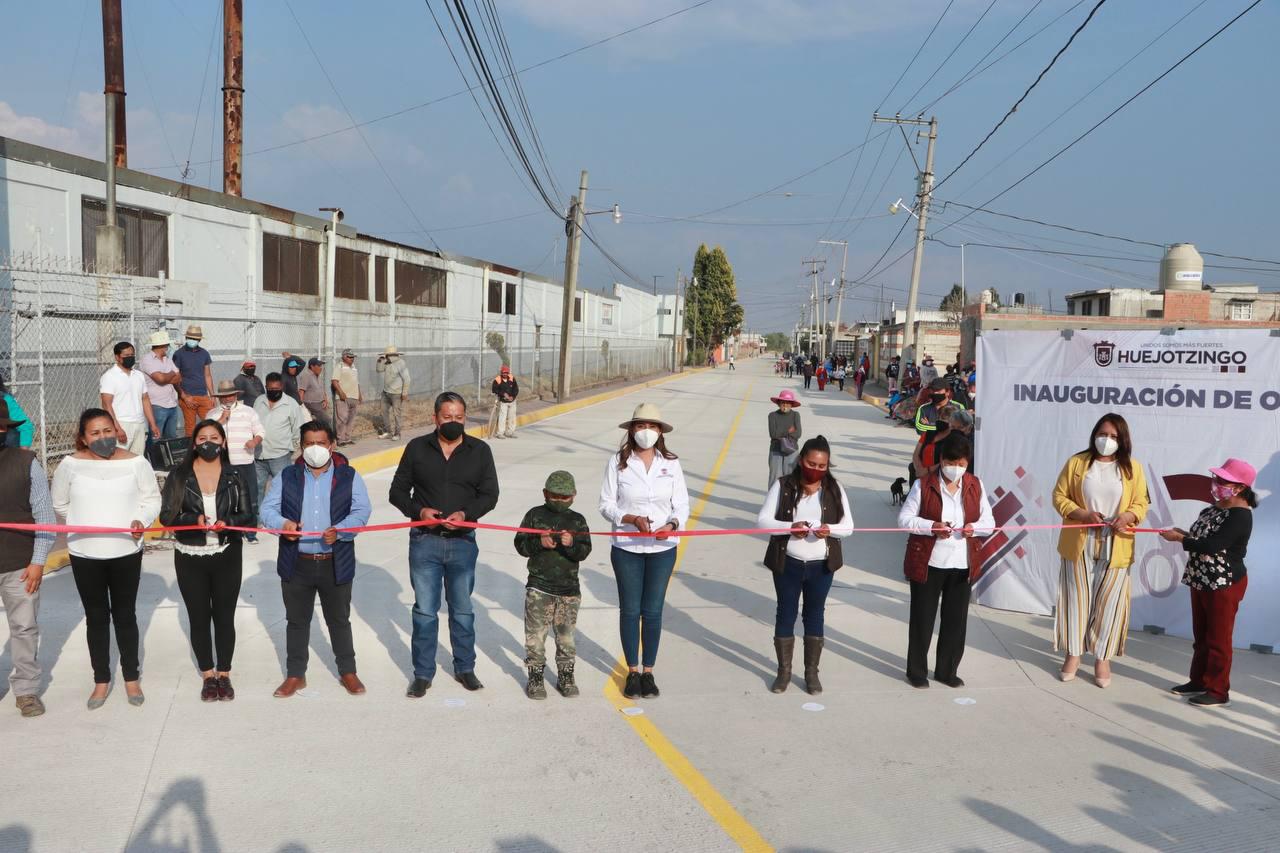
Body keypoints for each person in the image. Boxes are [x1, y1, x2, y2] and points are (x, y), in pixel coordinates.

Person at [391, 392, 500, 697]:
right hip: (424, 542)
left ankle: (465, 668)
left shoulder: (480, 451)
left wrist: (466, 514)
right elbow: (397, 492)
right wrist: (419, 512)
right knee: (425, 611)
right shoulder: (417, 448)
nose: (454, 422)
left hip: (462, 543)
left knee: (462, 610)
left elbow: (490, 494)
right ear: (435, 418)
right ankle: (422, 673)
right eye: (447, 417)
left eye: (459, 417)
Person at [50, 408, 161, 709]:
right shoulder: (69, 465)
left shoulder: (136, 463)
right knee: (96, 618)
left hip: (126, 551)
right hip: (85, 553)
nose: (103, 437)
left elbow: (151, 499)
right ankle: (101, 680)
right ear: (83, 438)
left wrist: (140, 520)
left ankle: (131, 677)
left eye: (107, 431)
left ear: (116, 430)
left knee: (125, 615)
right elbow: (60, 503)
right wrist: (83, 521)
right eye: (95, 433)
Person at [260, 420, 372, 698]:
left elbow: (362, 510)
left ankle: (348, 671)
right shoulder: (288, 475)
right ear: (301, 446)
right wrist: (283, 525)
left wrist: (342, 530)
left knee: (339, 619)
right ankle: (295, 675)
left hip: (335, 560)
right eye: (309, 443)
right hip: (297, 561)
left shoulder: (348, 476)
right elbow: (267, 509)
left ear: (332, 445)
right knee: (296, 621)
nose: (315, 448)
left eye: (321, 443)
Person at [599, 403, 690, 699]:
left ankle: (648, 672)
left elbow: (682, 505)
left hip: (663, 547)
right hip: (627, 546)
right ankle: (633, 672)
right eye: (640, 426)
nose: (646, 431)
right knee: (630, 610)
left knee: (652, 611)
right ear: (631, 430)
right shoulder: (618, 462)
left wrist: (672, 524)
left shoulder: (671, 463)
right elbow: (606, 504)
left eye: (652, 426)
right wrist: (629, 519)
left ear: (660, 431)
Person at [1051, 414, 1150, 687]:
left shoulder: (1132, 468)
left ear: (1123, 440)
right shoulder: (1077, 462)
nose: (1107, 440)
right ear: (1095, 434)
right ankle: (1073, 653)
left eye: (1114, 436)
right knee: (1076, 598)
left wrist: (1128, 516)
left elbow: (1142, 502)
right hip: (1079, 539)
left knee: (1109, 602)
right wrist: (1081, 513)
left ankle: (1102, 657)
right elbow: (1059, 496)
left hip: (1117, 542)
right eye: (1103, 434)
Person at [158, 419, 253, 702]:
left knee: (224, 617)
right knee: (199, 618)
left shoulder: (235, 475)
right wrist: (193, 518)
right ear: (194, 443)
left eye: (214, 437)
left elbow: (248, 514)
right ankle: (208, 675)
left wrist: (229, 522)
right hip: (190, 555)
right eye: (202, 438)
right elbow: (167, 516)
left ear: (223, 442)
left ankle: (224, 673)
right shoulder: (179, 475)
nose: (208, 443)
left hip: (227, 553)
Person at [757, 436, 854, 695]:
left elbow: (848, 527)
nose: (816, 470)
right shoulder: (783, 485)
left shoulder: (835, 488)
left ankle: (811, 672)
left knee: (815, 614)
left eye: (822, 466)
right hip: (788, 563)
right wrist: (790, 528)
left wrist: (829, 529)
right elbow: (763, 521)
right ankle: (784, 672)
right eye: (812, 464)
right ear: (801, 460)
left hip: (821, 566)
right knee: (785, 613)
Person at [898, 433, 995, 689]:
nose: (956, 468)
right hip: (928, 562)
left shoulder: (976, 485)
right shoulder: (923, 484)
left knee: (955, 622)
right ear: (941, 460)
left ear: (967, 463)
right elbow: (905, 519)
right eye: (951, 462)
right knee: (922, 619)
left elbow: (989, 522)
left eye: (961, 464)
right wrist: (932, 526)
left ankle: (947, 671)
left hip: (962, 564)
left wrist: (974, 528)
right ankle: (916, 671)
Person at [1160, 458, 1256, 708]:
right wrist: (1184, 534)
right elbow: (1202, 538)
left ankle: (1218, 691)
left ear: (1240, 488)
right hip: (1202, 578)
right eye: (1217, 478)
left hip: (1224, 583)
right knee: (1201, 636)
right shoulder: (1215, 509)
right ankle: (1199, 681)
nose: (1216, 484)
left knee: (1218, 640)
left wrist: (1180, 539)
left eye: (1223, 481)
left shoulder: (1240, 516)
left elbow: (1213, 546)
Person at [513, 470, 592, 700]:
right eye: (554, 496)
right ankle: (535, 677)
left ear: (573, 495)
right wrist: (539, 542)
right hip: (539, 587)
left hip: (568, 590)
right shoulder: (534, 515)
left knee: (566, 637)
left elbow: (584, 551)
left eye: (564, 497)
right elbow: (520, 545)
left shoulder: (578, 521)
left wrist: (571, 543)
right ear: (545, 493)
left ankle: (566, 676)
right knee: (535, 637)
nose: (559, 500)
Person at [0, 400, 55, 717]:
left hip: (20, 564)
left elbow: (44, 516)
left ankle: (26, 691)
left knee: (24, 628)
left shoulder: (26, 463)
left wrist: (38, 562)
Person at [205, 380, 264, 545]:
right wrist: (221, 420)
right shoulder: (212, 414)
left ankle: (250, 532)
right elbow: (206, 434)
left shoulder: (249, 411)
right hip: (222, 464)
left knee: (250, 498)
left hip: (245, 461)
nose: (227, 399)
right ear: (219, 397)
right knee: (226, 499)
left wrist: (254, 441)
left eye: (230, 395)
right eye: (224, 396)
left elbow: (260, 431)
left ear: (236, 395)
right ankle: (229, 531)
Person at [252, 372, 304, 527]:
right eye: (270, 389)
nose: (273, 391)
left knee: (283, 489)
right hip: (259, 455)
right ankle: (259, 520)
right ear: (266, 387)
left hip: (280, 455)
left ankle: (284, 520)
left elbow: (298, 429)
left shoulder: (291, 404)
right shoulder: (259, 401)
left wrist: (292, 448)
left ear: (281, 387)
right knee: (257, 489)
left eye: (276, 389)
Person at [99, 341, 159, 457]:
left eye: (132, 355)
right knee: (119, 459)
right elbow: (106, 405)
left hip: (140, 424)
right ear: (117, 357)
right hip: (122, 423)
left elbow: (145, 399)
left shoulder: (139, 375)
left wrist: (152, 424)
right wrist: (117, 428)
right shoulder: (109, 377)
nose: (130, 358)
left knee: (137, 459)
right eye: (126, 356)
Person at [138, 331, 181, 446]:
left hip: (172, 404)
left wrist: (165, 377)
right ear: (163, 345)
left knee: (171, 439)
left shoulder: (168, 359)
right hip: (157, 405)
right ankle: (152, 457)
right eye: (167, 345)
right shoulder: (147, 359)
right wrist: (171, 373)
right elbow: (160, 379)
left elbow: (178, 377)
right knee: (155, 439)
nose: (168, 347)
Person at [173, 325, 214, 436]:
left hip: (203, 396)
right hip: (188, 397)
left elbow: (207, 375)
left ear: (199, 340)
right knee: (190, 429)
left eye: (195, 338)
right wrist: (184, 397)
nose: (192, 340)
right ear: (186, 338)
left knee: (211, 425)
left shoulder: (204, 353)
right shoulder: (179, 354)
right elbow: (175, 378)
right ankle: (191, 447)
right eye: (190, 338)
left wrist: (212, 395)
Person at [767, 389, 802, 487]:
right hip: (776, 450)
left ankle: (790, 497)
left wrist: (781, 433)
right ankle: (773, 497)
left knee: (791, 478)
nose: (785, 405)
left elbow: (798, 433)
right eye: (783, 403)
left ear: (791, 404)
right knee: (774, 478)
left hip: (792, 450)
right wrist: (788, 431)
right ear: (778, 403)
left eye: (788, 403)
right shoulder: (772, 415)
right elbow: (773, 434)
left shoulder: (795, 415)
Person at [375, 345, 410, 440]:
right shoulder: (387, 363)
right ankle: (388, 432)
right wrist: (379, 361)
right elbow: (379, 370)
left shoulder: (401, 363)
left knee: (396, 414)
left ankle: (397, 434)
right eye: (386, 355)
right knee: (384, 412)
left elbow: (407, 379)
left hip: (396, 393)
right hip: (386, 392)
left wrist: (404, 393)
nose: (386, 356)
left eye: (387, 355)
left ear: (392, 355)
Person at [331, 349, 361, 447]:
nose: (352, 359)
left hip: (354, 397)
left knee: (351, 419)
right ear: (344, 357)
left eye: (353, 357)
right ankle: (340, 439)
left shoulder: (354, 367)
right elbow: (334, 381)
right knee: (342, 418)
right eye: (350, 357)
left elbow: (356, 382)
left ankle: (348, 438)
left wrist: (359, 395)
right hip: (343, 397)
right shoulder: (339, 366)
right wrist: (340, 392)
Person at [0, 375, 34, 448]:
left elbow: (25, 426)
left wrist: (21, 453)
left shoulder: (5, 400)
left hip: (6, 447)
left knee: (11, 435)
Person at [298, 358, 330, 425]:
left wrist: (325, 400)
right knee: (327, 420)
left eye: (321, 366)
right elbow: (301, 391)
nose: (321, 368)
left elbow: (322, 389)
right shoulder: (306, 375)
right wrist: (301, 406)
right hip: (311, 403)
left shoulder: (318, 375)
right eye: (319, 366)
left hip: (320, 403)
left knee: (321, 422)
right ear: (312, 366)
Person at [491, 364, 519, 440]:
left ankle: (510, 432)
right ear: (501, 372)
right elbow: (494, 390)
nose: (505, 374)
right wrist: (503, 394)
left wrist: (512, 396)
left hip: (512, 401)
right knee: (502, 417)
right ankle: (500, 433)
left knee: (512, 417)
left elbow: (516, 389)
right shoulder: (497, 380)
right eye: (503, 373)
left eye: (506, 373)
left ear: (508, 373)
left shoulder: (512, 378)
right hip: (503, 401)